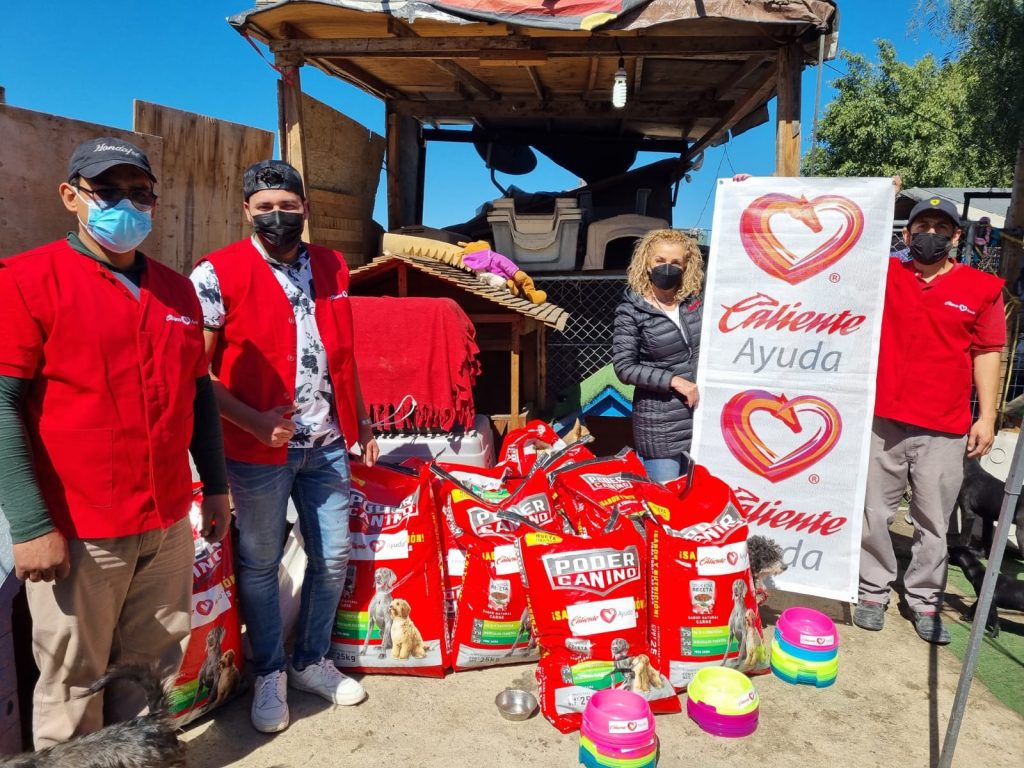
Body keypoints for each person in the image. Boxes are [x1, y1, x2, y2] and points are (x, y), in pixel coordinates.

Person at [0, 138, 229, 747]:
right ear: (71, 196)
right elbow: (2, 405)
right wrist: (28, 525)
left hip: (165, 522)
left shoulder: (178, 293)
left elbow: (199, 396)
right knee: (74, 684)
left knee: (151, 674)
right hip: (80, 530)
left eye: (140, 192)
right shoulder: (27, 280)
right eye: (108, 191)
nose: (127, 204)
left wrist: (218, 488)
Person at [191, 160, 380, 734]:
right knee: (259, 562)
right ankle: (268, 668)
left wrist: (364, 421)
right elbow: (194, 375)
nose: (278, 216)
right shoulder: (215, 274)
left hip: (325, 443)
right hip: (254, 453)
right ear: (246, 210)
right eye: (266, 207)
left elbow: (342, 354)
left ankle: (309, 661)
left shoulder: (332, 265)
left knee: (332, 558)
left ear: (305, 208)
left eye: (289, 205)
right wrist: (251, 421)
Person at [855, 196, 1005, 644]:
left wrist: (988, 416)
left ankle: (923, 598)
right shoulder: (884, 276)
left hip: (945, 425)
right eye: (923, 226)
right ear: (906, 235)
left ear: (957, 236)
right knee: (874, 513)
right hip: (883, 420)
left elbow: (987, 353)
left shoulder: (983, 287)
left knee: (933, 519)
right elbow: (838, 251)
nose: (932, 234)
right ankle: (871, 591)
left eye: (943, 227)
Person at [612, 229, 704, 482]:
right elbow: (624, 367)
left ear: (686, 266)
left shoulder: (695, 304)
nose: (667, 268)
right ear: (647, 263)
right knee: (665, 498)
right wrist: (674, 380)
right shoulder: (631, 311)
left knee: (698, 500)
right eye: (660, 261)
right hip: (660, 424)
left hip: (700, 418)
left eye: (675, 262)